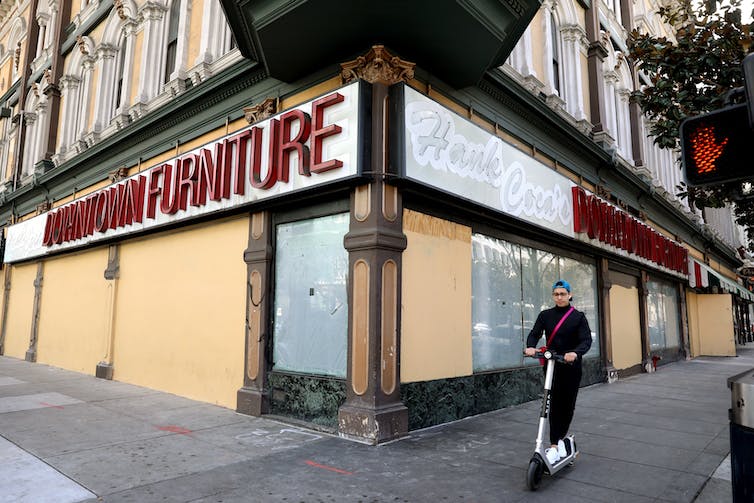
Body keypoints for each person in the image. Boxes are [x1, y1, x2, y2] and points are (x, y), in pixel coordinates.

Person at [524, 279, 592, 465]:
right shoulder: (545, 315)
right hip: (552, 364)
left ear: (569, 295)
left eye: (563, 294)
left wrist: (575, 353)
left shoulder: (578, 317)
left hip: (570, 366)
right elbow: (534, 333)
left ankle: (560, 438)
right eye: (556, 294)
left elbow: (586, 341)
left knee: (567, 404)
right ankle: (554, 444)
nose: (559, 297)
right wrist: (531, 347)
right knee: (553, 403)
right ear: (553, 296)